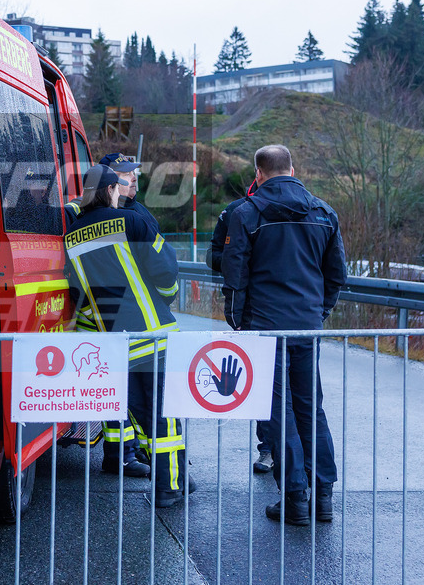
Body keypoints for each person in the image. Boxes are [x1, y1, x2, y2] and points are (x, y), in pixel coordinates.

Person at [221, 145, 346, 525]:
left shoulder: (246, 213)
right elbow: (336, 274)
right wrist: (318, 313)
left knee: (278, 410)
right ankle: (322, 497)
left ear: (258, 174)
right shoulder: (324, 212)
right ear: (293, 168)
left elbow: (235, 275)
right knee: (311, 407)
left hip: (265, 327)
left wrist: (236, 320)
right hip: (307, 326)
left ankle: (295, 498)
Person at [65, 165, 191, 506]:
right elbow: (165, 268)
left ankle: (177, 476)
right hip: (154, 333)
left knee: (141, 413)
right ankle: (170, 486)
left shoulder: (71, 237)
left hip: (115, 341)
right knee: (165, 412)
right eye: (118, 189)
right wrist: (165, 296)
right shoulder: (132, 221)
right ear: (109, 191)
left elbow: (76, 291)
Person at [207, 180, 274, 475]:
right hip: (254, 311)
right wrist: (240, 262)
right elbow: (214, 256)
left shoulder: (307, 210)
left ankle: (297, 455)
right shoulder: (236, 211)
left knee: (299, 390)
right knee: (266, 384)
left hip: (291, 314)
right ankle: (269, 448)